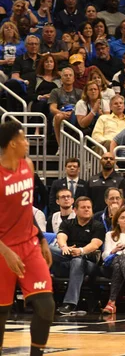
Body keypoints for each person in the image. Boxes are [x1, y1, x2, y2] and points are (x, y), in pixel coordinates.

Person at [0, 121, 55, 356]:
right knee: (1, 314)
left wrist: (41, 239)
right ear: (12, 143)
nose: (27, 142)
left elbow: (27, 209)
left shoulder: (28, 166)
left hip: (29, 245)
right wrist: (5, 251)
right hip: (3, 249)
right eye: (24, 138)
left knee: (46, 307)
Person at [51, 197, 105, 315]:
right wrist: (64, 247)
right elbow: (61, 236)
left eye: (89, 207)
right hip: (68, 257)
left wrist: (81, 251)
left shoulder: (97, 226)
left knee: (77, 261)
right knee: (47, 249)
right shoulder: (67, 223)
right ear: (75, 210)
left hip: (89, 262)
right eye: (83, 207)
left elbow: (95, 244)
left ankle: (70, 303)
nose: (87, 210)